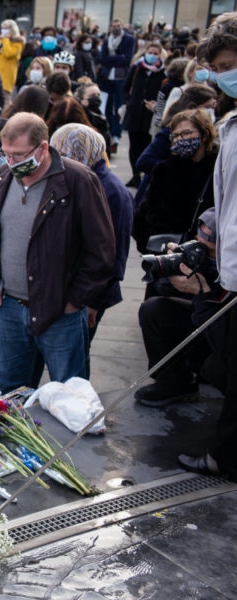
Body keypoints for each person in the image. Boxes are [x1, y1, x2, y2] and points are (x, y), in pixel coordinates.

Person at [0, 113, 115, 391]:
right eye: (6, 154)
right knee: (11, 395)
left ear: (42, 148)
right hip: (9, 309)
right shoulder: (3, 176)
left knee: (69, 395)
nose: (11, 162)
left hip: (60, 312)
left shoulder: (78, 180)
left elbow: (102, 250)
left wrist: (75, 301)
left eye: (18, 155)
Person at [175, 9, 237, 481]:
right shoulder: (231, 122)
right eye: (215, 67)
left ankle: (226, 456)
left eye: (227, 64)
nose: (220, 74)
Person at [48, 124, 133, 376]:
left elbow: (114, 256)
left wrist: (92, 303)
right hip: (71, 285)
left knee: (76, 355)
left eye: (64, 151)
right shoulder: (77, 179)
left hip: (91, 293)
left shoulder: (113, 191)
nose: (58, 158)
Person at [137, 209, 223, 407]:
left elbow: (222, 334)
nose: (201, 253)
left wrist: (204, 292)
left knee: (215, 367)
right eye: (197, 244)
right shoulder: (201, 261)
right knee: (153, 310)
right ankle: (174, 383)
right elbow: (163, 288)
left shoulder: (230, 271)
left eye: (208, 251)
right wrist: (178, 261)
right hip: (206, 322)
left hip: (224, 337)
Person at [135, 109, 218, 253]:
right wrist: (151, 248)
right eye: (176, 136)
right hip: (167, 254)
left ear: (204, 135)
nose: (180, 139)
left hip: (207, 254)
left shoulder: (218, 169)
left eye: (186, 133)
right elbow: (143, 216)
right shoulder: (165, 170)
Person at [122, 42, 166, 187]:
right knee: (134, 145)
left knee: (147, 144)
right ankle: (135, 175)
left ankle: (144, 174)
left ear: (160, 55)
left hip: (150, 115)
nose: (152, 55)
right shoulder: (137, 68)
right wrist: (128, 102)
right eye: (150, 52)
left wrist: (156, 105)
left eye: (156, 53)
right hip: (135, 112)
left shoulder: (163, 72)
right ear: (145, 52)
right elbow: (125, 87)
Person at [99, 19, 137, 153]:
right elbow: (103, 59)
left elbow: (127, 59)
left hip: (121, 77)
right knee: (107, 107)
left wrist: (113, 59)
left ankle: (116, 135)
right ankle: (109, 133)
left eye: (118, 26)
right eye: (114, 26)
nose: (116, 28)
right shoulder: (106, 40)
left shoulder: (129, 39)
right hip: (107, 77)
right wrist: (118, 58)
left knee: (118, 107)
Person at [0, 20, 24, 98]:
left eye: (6, 28)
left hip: (7, 76)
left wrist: (6, 39)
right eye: (2, 28)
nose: (3, 30)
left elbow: (8, 53)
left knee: (5, 98)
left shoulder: (18, 42)